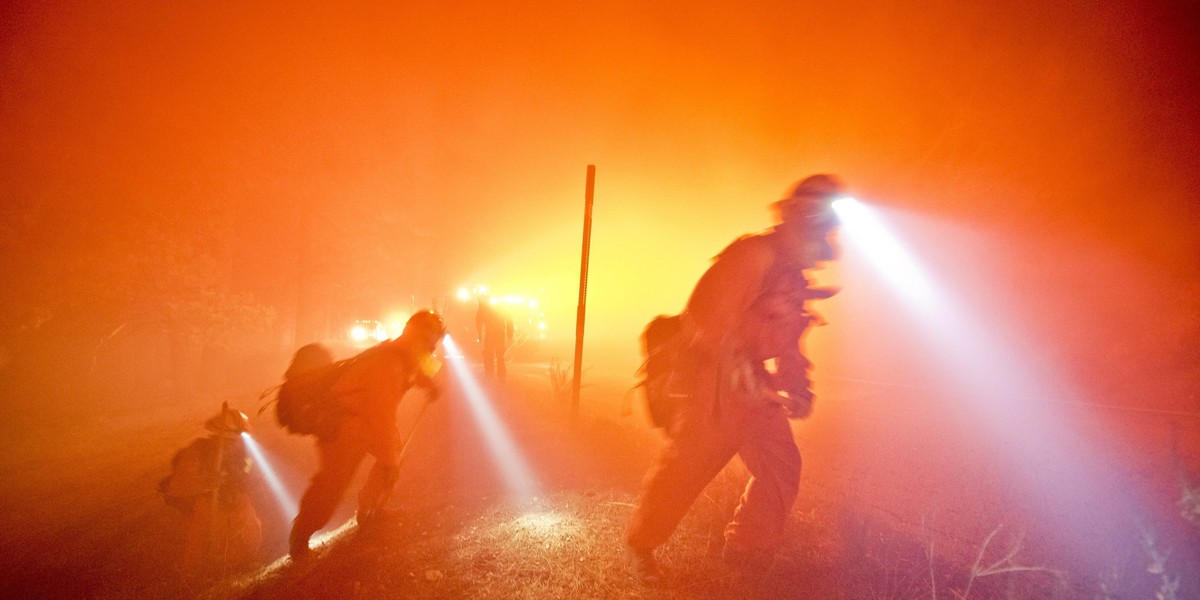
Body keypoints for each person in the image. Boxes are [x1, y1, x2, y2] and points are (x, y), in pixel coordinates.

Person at [624, 174, 845, 583]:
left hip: (755, 390)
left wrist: (798, 388)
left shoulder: (794, 281)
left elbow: (792, 346)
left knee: (780, 466)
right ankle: (643, 547)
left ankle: (747, 548)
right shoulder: (752, 255)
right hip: (714, 383)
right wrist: (739, 369)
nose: (825, 241)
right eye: (822, 224)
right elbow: (705, 317)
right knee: (686, 470)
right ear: (802, 220)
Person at [288, 310, 446, 560]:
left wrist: (430, 384)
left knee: (392, 451)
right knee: (332, 486)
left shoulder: (402, 353)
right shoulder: (389, 365)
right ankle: (300, 537)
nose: (434, 346)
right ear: (419, 336)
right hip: (343, 428)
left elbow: (417, 369)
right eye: (432, 339)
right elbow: (381, 418)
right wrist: (388, 462)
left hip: (360, 422)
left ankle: (369, 509)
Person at [159, 402, 262, 577]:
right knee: (203, 542)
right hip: (207, 504)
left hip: (234, 499)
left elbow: (248, 472)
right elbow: (181, 482)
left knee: (249, 530)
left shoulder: (242, 450)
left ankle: (241, 567)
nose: (237, 442)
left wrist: (239, 480)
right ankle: (197, 579)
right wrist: (208, 483)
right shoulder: (199, 450)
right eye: (234, 438)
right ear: (223, 435)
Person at [476, 298, 513, 382]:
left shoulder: (483, 310)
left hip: (491, 335)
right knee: (499, 355)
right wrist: (509, 333)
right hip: (499, 334)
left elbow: (478, 323)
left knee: (489, 355)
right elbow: (509, 320)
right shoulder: (500, 308)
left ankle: (490, 375)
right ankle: (501, 375)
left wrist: (480, 335)